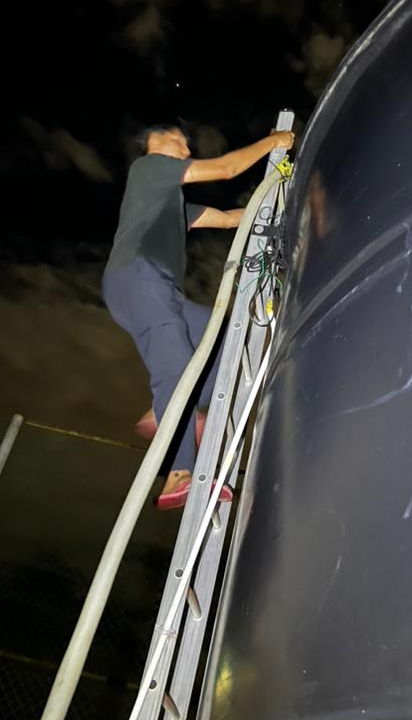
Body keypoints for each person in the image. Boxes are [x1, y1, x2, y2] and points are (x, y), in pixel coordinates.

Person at [103, 123, 295, 510]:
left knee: (227, 337)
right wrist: (272, 143)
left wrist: (285, 212)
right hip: (137, 277)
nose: (187, 147)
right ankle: (178, 473)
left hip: (160, 289)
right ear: (158, 139)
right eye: (182, 140)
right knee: (174, 363)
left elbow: (227, 219)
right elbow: (225, 169)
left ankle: (167, 412)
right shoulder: (149, 168)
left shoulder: (169, 202)